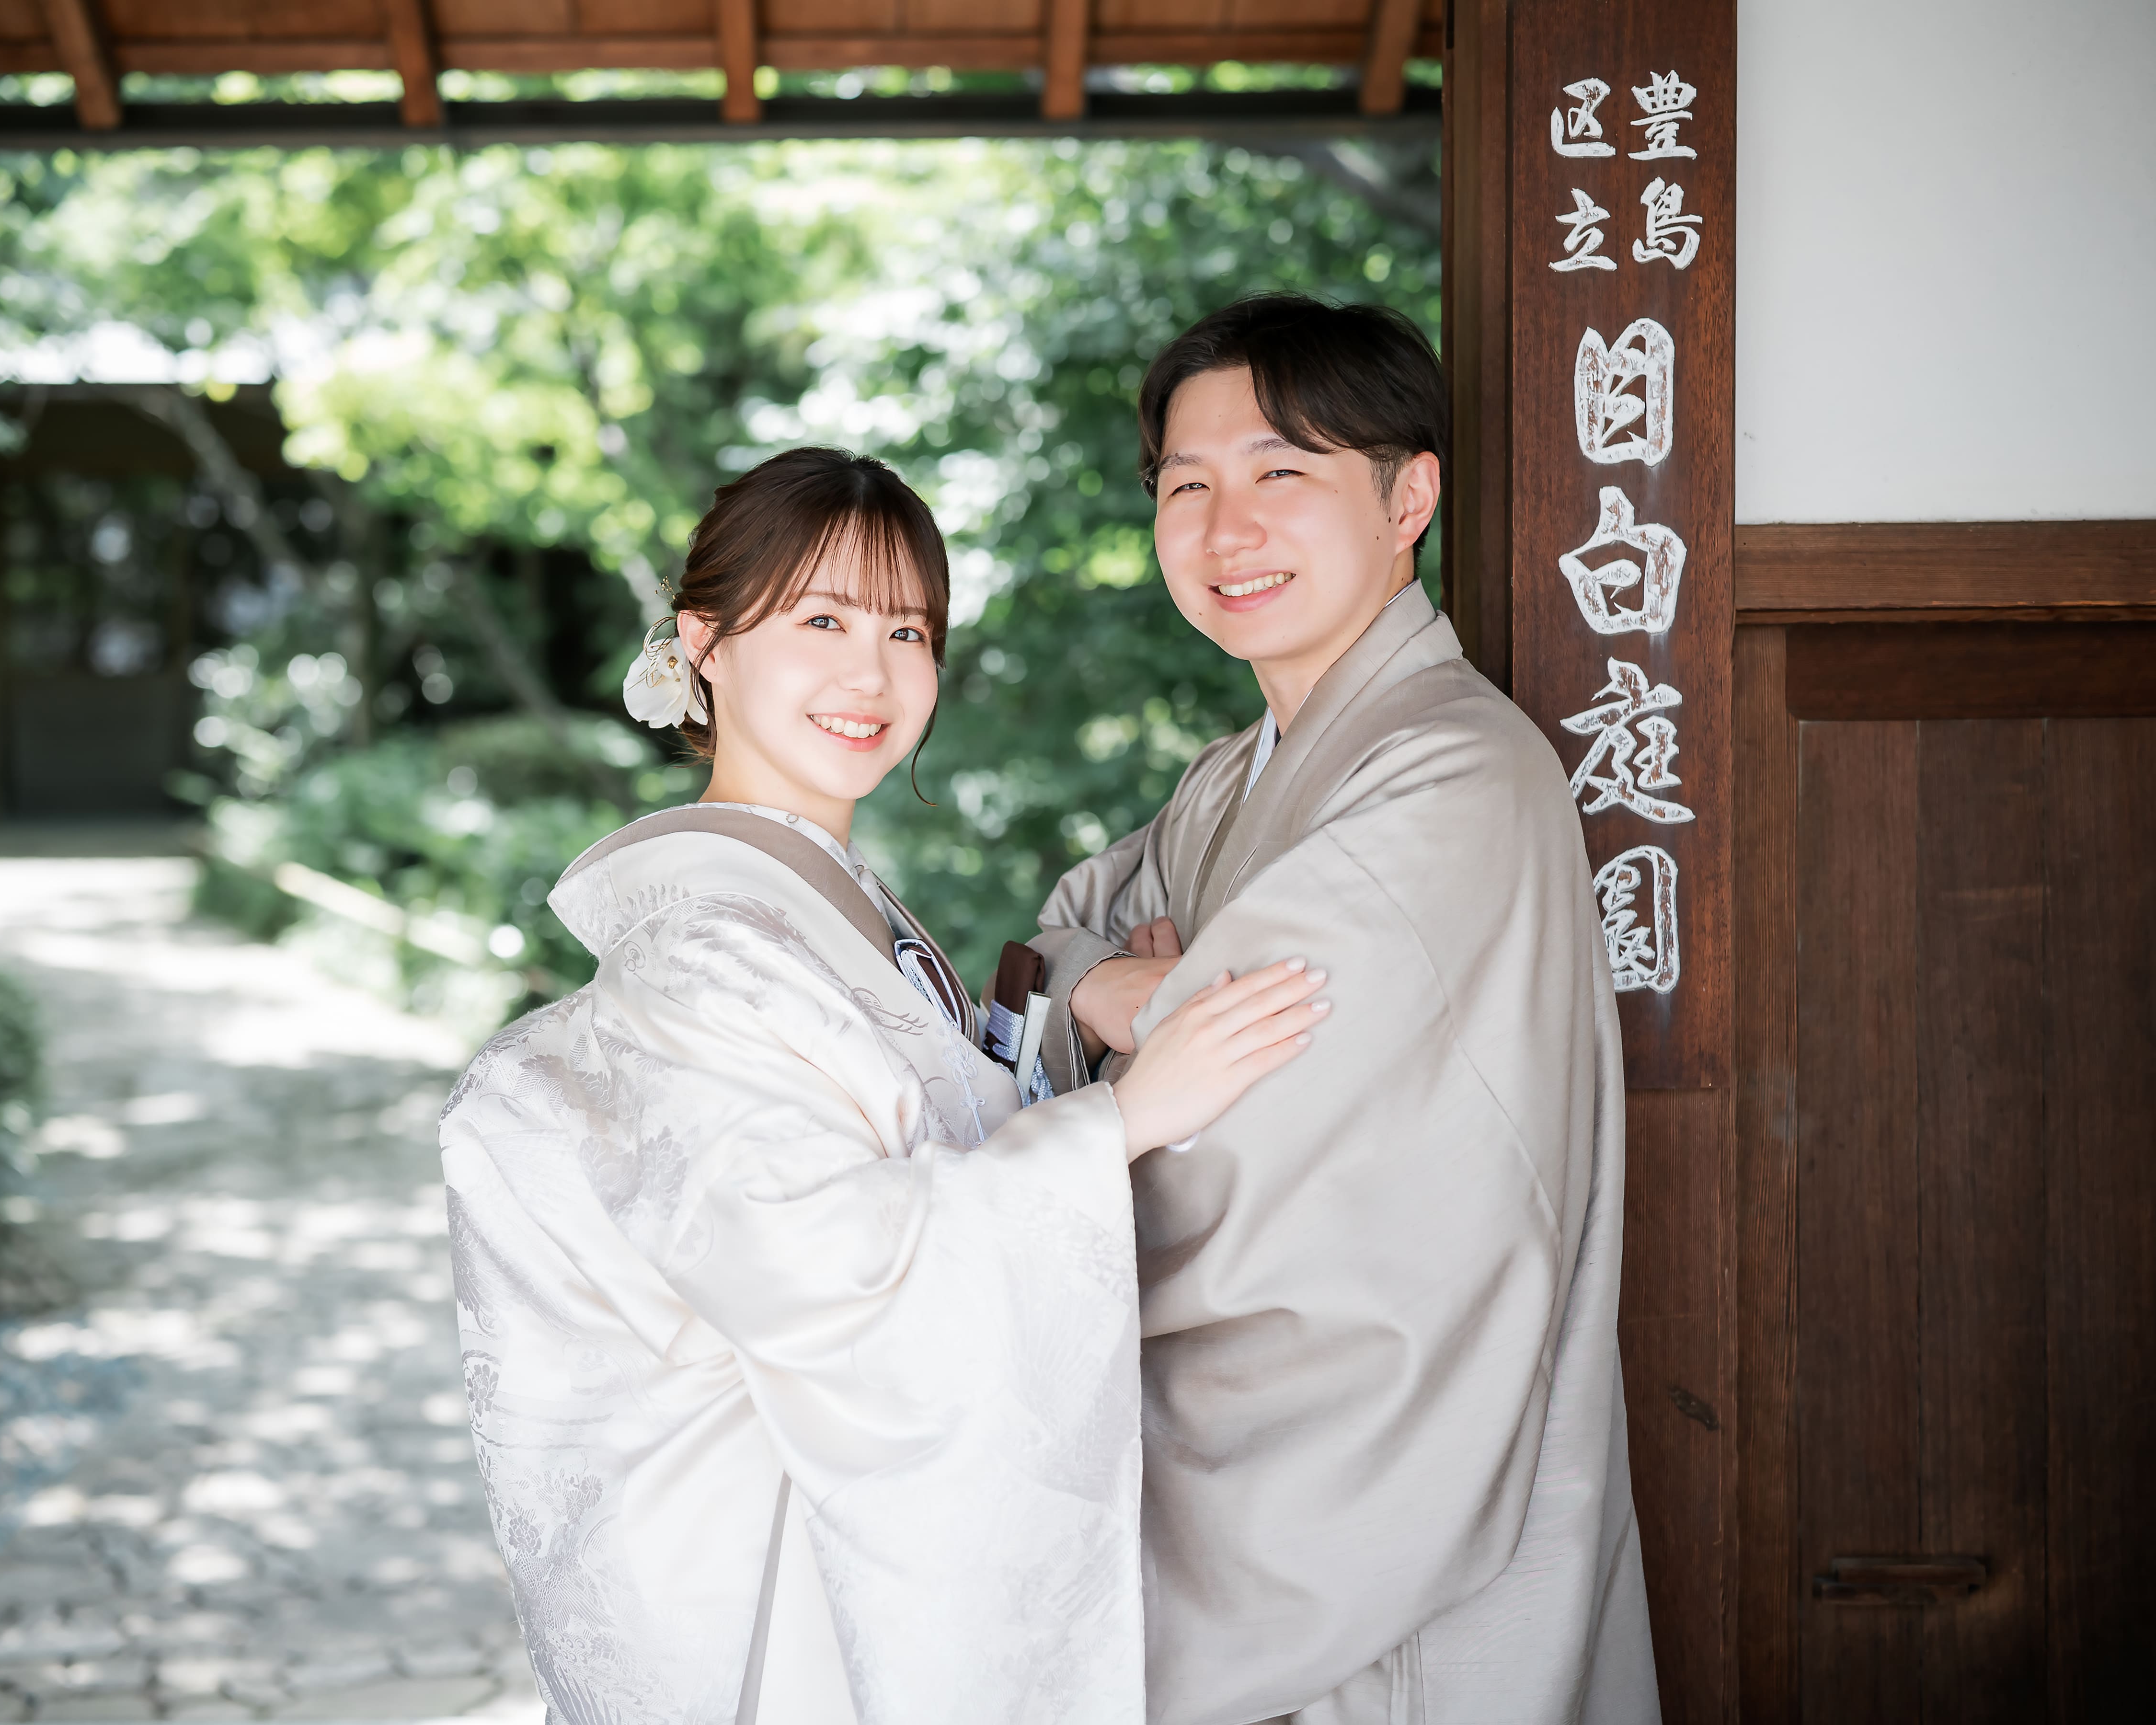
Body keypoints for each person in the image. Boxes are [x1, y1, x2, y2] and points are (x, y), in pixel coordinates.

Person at [439, 446, 1330, 1725]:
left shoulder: (818, 904)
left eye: (907, 631)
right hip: (793, 1577)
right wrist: (1123, 1121)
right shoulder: (707, 953)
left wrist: (1075, 1013)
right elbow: (824, 1271)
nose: (872, 674)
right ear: (704, 644)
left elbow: (931, 1118)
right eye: (822, 622)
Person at [1024, 296, 1661, 1724]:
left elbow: (1228, 1079)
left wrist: (1118, 1012)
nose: (1227, 527)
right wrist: (1110, 989)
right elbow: (1053, 948)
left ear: (1408, 498)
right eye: (1186, 485)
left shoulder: (1454, 774)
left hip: (1382, 1454)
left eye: (1282, 471)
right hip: (1269, 1470)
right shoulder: (1228, 779)